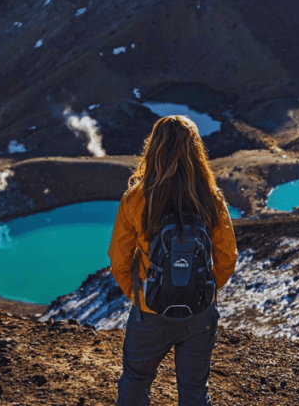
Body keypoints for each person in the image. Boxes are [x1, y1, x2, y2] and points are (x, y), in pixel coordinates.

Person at [109, 115, 238, 406]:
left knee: (135, 380)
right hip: (200, 314)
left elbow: (119, 257)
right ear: (196, 151)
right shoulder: (211, 199)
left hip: (150, 313)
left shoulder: (137, 198)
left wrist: (140, 296)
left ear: (153, 148)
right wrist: (202, 290)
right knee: (194, 390)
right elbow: (227, 258)